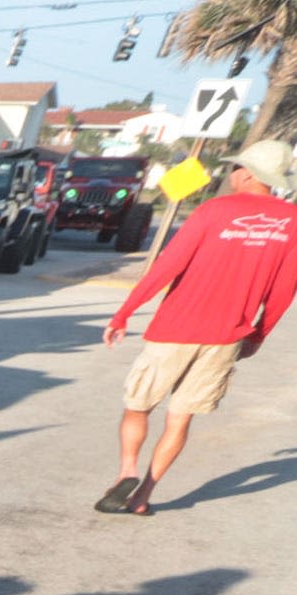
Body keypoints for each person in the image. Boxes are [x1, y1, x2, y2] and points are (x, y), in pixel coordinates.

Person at [95, 140, 297, 516]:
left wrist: (124, 313)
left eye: (237, 167)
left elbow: (167, 266)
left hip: (174, 329)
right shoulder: (293, 222)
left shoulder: (213, 211)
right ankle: (143, 496)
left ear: (248, 173)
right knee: (180, 417)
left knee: (138, 406)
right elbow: (284, 290)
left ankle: (127, 471)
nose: (233, 173)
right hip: (225, 338)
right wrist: (258, 334)